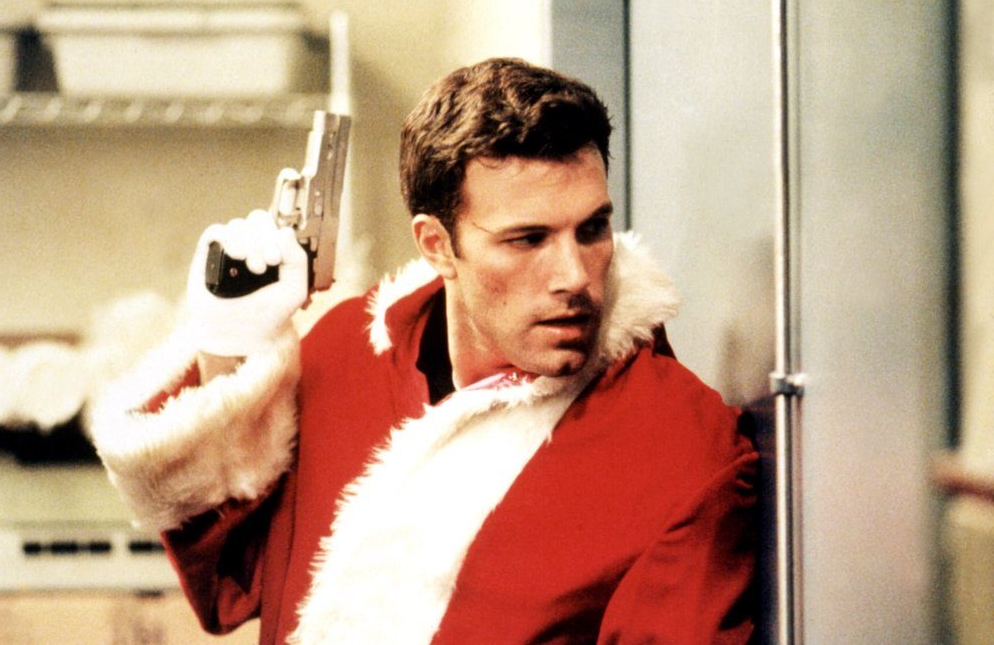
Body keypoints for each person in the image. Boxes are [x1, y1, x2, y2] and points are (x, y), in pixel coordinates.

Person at [91, 58, 758, 645]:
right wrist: (228, 349)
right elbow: (233, 587)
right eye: (528, 240)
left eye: (593, 229)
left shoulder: (681, 449)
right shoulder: (342, 354)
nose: (576, 277)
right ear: (437, 246)